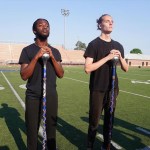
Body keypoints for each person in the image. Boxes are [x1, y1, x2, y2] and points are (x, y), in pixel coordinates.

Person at [84, 14, 128, 150]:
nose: (111, 23)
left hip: (113, 88)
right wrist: (108, 57)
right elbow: (87, 68)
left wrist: (120, 57)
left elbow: (125, 68)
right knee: (94, 121)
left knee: (110, 120)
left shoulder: (118, 45)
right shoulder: (93, 44)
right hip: (98, 88)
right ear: (100, 25)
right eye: (107, 21)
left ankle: (106, 145)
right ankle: (90, 145)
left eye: (112, 21)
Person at [19, 18, 64, 150]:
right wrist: (36, 57)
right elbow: (24, 75)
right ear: (34, 30)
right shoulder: (27, 50)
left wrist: (53, 58)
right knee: (32, 131)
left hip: (51, 95)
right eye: (41, 25)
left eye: (47, 25)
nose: (45, 27)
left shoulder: (55, 51)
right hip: (33, 95)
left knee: (51, 129)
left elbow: (61, 74)